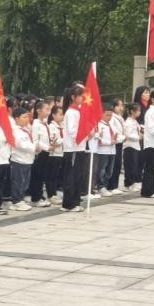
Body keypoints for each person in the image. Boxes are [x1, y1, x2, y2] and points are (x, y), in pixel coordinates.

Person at [61, 84, 92, 212]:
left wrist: (88, 134)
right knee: (71, 176)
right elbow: (73, 131)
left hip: (80, 147)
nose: (82, 99)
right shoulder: (71, 112)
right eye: (80, 96)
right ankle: (69, 203)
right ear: (73, 97)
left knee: (78, 176)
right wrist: (86, 135)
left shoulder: (78, 111)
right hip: (72, 148)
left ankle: (75, 200)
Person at [9, 106, 35, 211]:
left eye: (27, 117)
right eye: (24, 117)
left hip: (27, 160)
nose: (27, 119)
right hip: (19, 160)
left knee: (25, 182)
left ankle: (20, 198)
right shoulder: (15, 131)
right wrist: (34, 147)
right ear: (16, 119)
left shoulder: (26, 129)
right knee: (18, 181)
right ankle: (16, 201)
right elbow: (20, 144)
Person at [29, 100, 51, 207]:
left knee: (42, 175)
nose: (48, 112)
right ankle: (35, 199)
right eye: (46, 109)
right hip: (39, 153)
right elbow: (35, 140)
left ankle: (40, 195)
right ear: (38, 110)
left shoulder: (45, 123)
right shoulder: (36, 124)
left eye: (49, 109)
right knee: (37, 176)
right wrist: (47, 147)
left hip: (46, 152)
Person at [94, 104, 116, 196]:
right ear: (102, 114)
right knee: (101, 170)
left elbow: (116, 135)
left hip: (112, 150)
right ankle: (100, 186)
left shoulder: (111, 125)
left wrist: (118, 139)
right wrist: (109, 142)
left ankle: (105, 186)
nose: (109, 117)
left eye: (111, 115)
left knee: (109, 170)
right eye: (107, 115)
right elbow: (99, 140)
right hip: (103, 151)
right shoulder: (99, 125)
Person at [45, 106, 65, 202]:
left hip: (61, 153)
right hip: (53, 154)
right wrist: (64, 139)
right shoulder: (51, 127)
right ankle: (51, 194)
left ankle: (55, 192)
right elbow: (54, 141)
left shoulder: (62, 126)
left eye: (62, 114)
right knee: (51, 175)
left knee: (57, 175)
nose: (62, 116)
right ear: (53, 115)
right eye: (60, 114)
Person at [122, 103, 142, 191]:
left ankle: (134, 182)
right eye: (138, 111)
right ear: (132, 111)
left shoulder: (135, 121)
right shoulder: (128, 122)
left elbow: (138, 130)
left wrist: (140, 134)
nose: (139, 112)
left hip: (136, 145)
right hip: (129, 146)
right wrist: (138, 137)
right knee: (130, 166)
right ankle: (128, 184)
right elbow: (128, 134)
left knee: (135, 165)